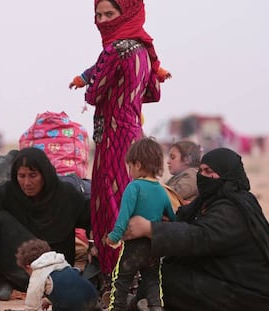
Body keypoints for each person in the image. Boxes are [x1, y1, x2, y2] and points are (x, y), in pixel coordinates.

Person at [69, 0, 172, 284]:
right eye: (98, 15)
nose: (102, 21)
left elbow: (94, 94)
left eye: (109, 14)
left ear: (126, 13)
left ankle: (116, 276)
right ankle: (139, 272)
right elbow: (152, 91)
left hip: (113, 138)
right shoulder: (143, 50)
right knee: (134, 196)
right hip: (132, 131)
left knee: (110, 203)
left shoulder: (115, 49)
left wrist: (91, 84)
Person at [124, 148, 269, 311]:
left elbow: (200, 237)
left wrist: (150, 229)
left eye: (209, 171)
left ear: (227, 174)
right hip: (230, 279)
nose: (202, 176)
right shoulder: (217, 199)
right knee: (168, 271)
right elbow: (190, 222)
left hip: (251, 295)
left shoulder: (232, 209)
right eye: (201, 170)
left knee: (166, 280)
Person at [0, 147, 90, 301]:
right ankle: (3, 281)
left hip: (55, 271)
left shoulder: (66, 195)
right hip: (21, 268)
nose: (26, 183)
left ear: (45, 175)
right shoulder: (11, 192)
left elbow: (90, 218)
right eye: (21, 176)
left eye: (32, 175)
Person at [106, 137, 175, 311]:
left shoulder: (134, 187)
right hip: (154, 246)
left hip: (134, 247)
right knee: (152, 279)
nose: (129, 170)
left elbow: (123, 217)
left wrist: (114, 237)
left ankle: (116, 308)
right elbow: (172, 219)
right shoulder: (161, 190)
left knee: (121, 280)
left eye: (129, 166)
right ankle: (156, 307)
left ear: (137, 164)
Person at [16, 238, 100, 311]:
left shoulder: (38, 272)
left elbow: (32, 302)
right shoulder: (60, 261)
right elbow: (68, 286)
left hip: (73, 305)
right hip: (91, 295)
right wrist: (49, 301)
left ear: (28, 267)